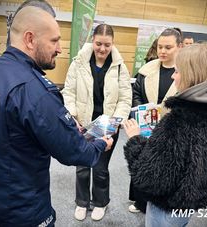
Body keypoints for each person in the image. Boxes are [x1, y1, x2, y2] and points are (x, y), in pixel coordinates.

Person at [0, 6, 113, 226]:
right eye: (54, 41)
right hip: (21, 208)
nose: (60, 49)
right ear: (30, 39)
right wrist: (100, 144)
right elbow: (75, 152)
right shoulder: (34, 92)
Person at [123, 41, 207, 227]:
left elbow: (149, 177)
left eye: (177, 71)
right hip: (192, 199)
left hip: (167, 205)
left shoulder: (179, 119)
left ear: (191, 75)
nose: (173, 76)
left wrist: (134, 140)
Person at [62, 23, 132, 221]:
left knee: (100, 168)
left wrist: (114, 123)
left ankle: (100, 202)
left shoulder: (120, 67)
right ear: (92, 41)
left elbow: (125, 99)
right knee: (82, 166)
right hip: (83, 122)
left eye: (107, 45)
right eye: (98, 44)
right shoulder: (78, 63)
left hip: (107, 125)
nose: (102, 49)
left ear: (113, 44)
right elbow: (69, 92)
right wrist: (73, 117)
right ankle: (82, 202)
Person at [129, 27, 182, 213]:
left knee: (166, 166)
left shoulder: (185, 73)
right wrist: (142, 110)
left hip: (172, 129)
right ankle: (139, 202)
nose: (162, 51)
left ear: (179, 47)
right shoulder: (146, 70)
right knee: (142, 160)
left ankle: (159, 202)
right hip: (146, 125)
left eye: (168, 47)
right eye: (160, 46)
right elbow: (135, 92)